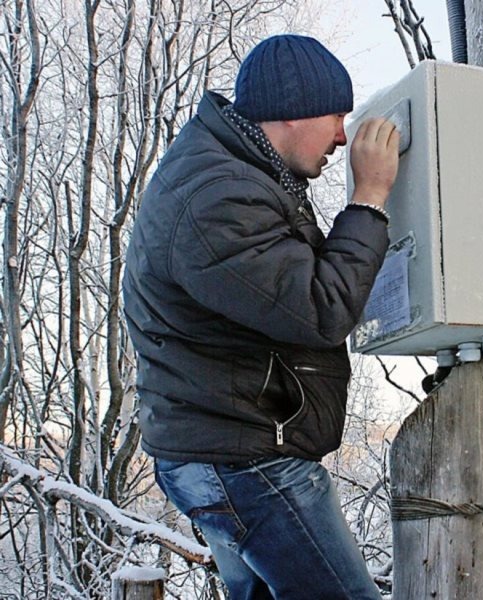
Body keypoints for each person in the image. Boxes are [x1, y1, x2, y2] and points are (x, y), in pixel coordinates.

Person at [122, 34, 399, 599]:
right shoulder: (219, 194)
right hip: (244, 460)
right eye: (337, 115)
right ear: (291, 114)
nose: (344, 136)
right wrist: (370, 197)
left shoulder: (230, 175)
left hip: (222, 453)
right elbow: (320, 309)